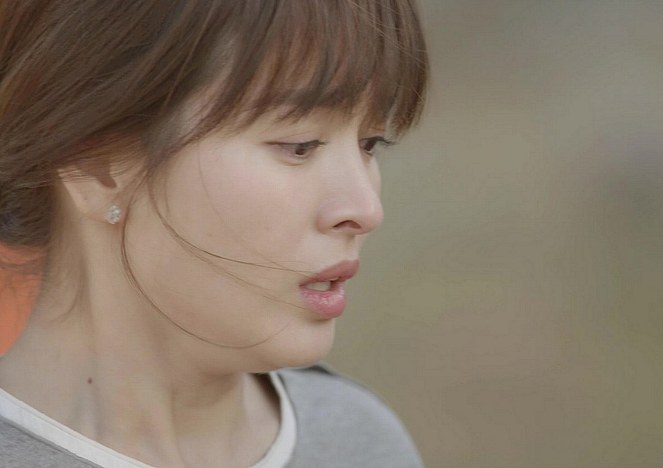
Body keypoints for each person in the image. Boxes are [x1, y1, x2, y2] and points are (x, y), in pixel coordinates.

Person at [0, 1, 428, 466]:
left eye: (370, 143)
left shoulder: (357, 440)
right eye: (299, 145)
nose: (366, 209)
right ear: (98, 168)